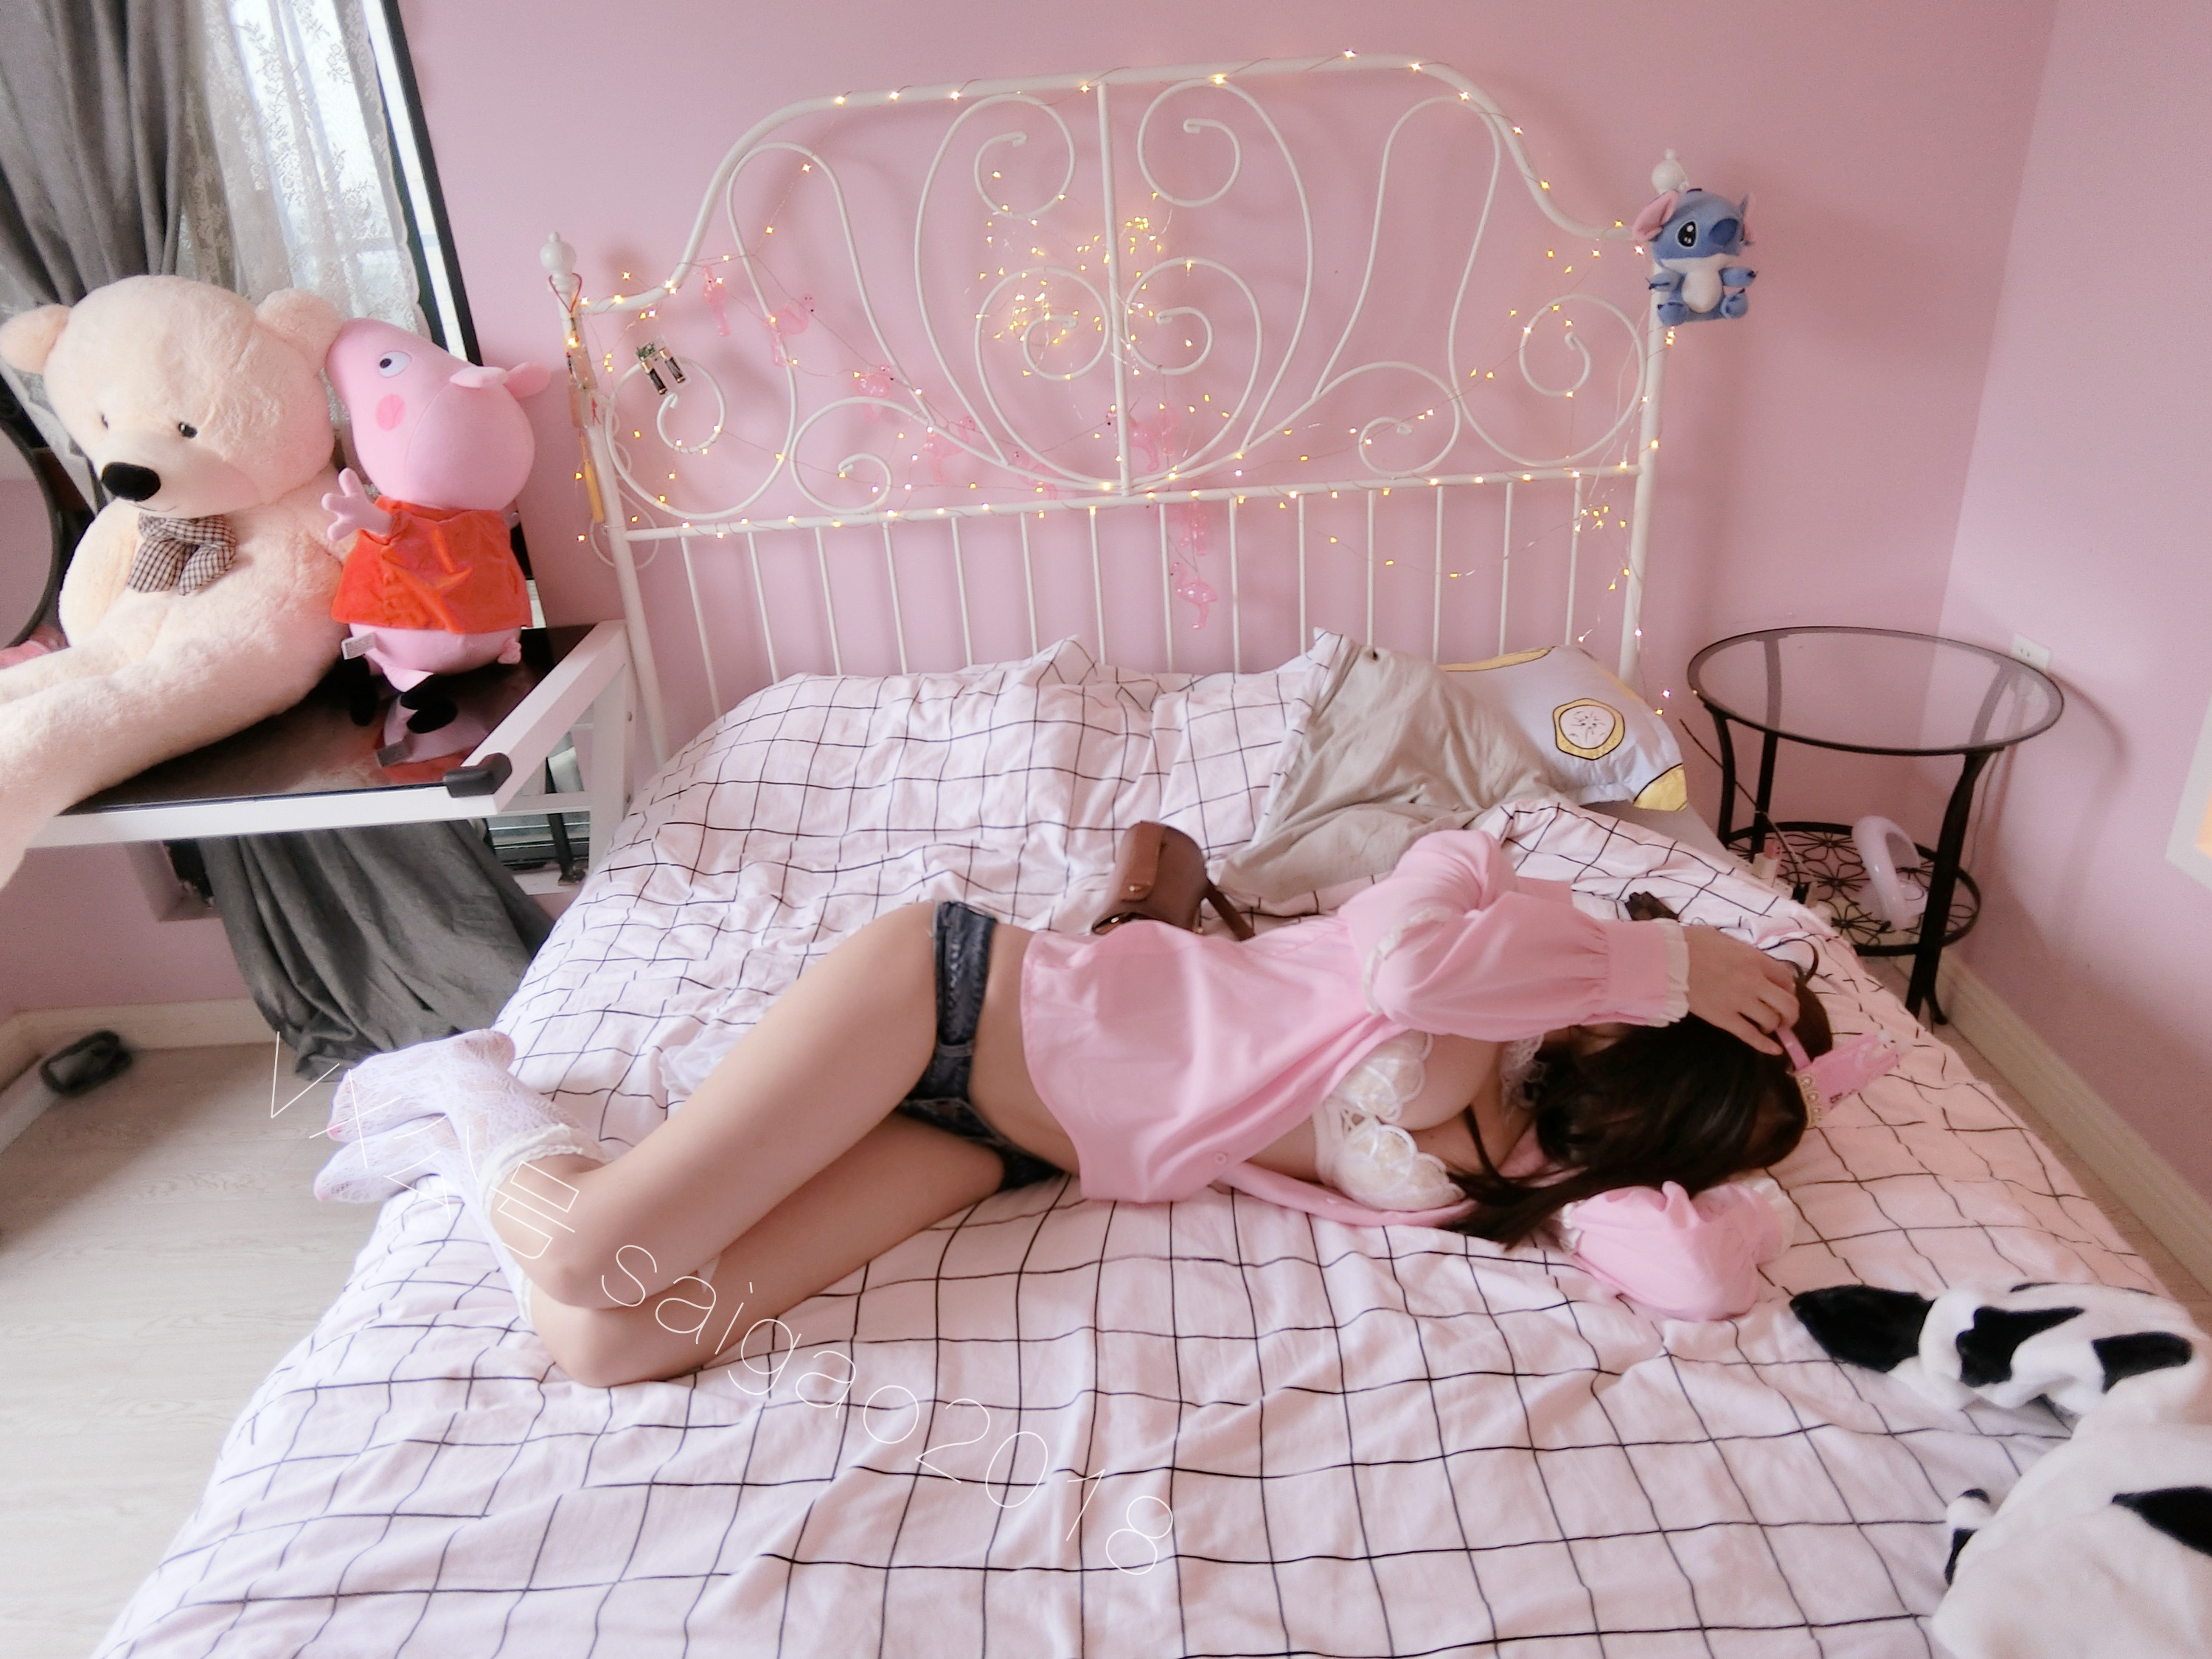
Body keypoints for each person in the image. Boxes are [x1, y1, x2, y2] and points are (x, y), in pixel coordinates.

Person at [320, 829, 1818, 1387]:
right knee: (591, 1258)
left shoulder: (1547, 1161)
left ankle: (474, 1121)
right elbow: (1409, 968)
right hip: (953, 997)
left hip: (1008, 1149)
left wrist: (1746, 1157)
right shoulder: (1484, 889)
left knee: (610, 1340)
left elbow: (1688, 1275)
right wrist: (1661, 958)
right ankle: (464, 1076)